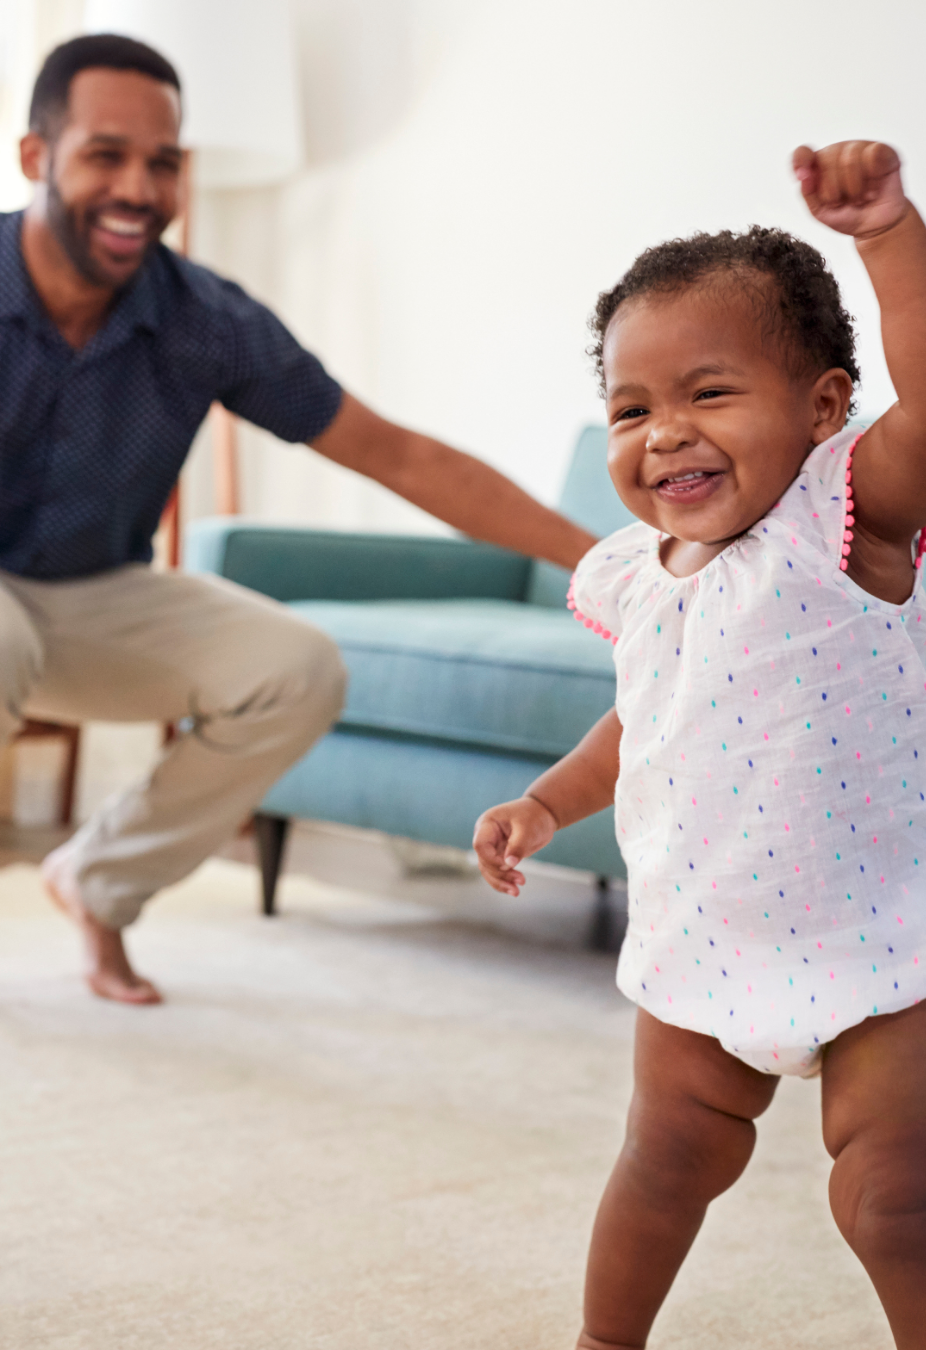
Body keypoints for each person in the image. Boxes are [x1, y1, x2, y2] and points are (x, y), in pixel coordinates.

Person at [473, 141, 926, 1349]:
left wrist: (885, 237)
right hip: (708, 924)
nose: (665, 434)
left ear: (823, 409)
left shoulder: (842, 521)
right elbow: (648, 716)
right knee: (662, 1163)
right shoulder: (632, 574)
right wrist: (550, 804)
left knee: (901, 1207)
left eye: (709, 394)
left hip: (881, 931)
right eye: (631, 407)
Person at [2, 34, 595, 1007]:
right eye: (105, 154)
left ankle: (97, 883)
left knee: (297, 668)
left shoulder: (203, 320)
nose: (137, 188)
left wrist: (601, 558)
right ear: (38, 158)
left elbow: (395, 453)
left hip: (95, 589)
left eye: (162, 162)